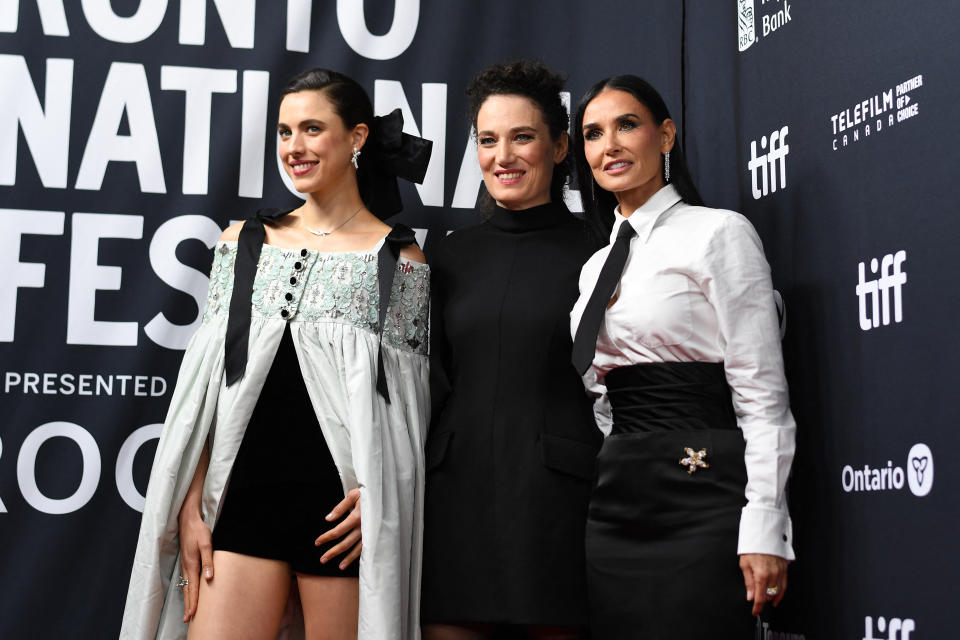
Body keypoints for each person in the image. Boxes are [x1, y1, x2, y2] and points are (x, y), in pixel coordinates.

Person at [120, 68, 432, 640]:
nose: (294, 147)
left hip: (341, 521)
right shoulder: (241, 243)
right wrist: (191, 505)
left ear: (358, 137)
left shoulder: (399, 259)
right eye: (285, 132)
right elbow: (204, 396)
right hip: (240, 504)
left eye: (312, 129)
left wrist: (381, 499)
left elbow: (404, 414)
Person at [569, 74, 796, 638]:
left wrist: (764, 524)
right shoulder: (594, 269)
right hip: (618, 501)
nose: (609, 146)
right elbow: (602, 397)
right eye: (593, 134)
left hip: (704, 493)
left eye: (627, 125)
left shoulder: (719, 233)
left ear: (665, 135)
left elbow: (762, 396)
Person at [421, 61, 601, 640]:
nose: (503, 156)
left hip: (558, 505)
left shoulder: (600, 252)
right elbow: (426, 384)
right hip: (454, 503)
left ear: (560, 146)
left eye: (522, 137)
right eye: (487, 140)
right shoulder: (447, 256)